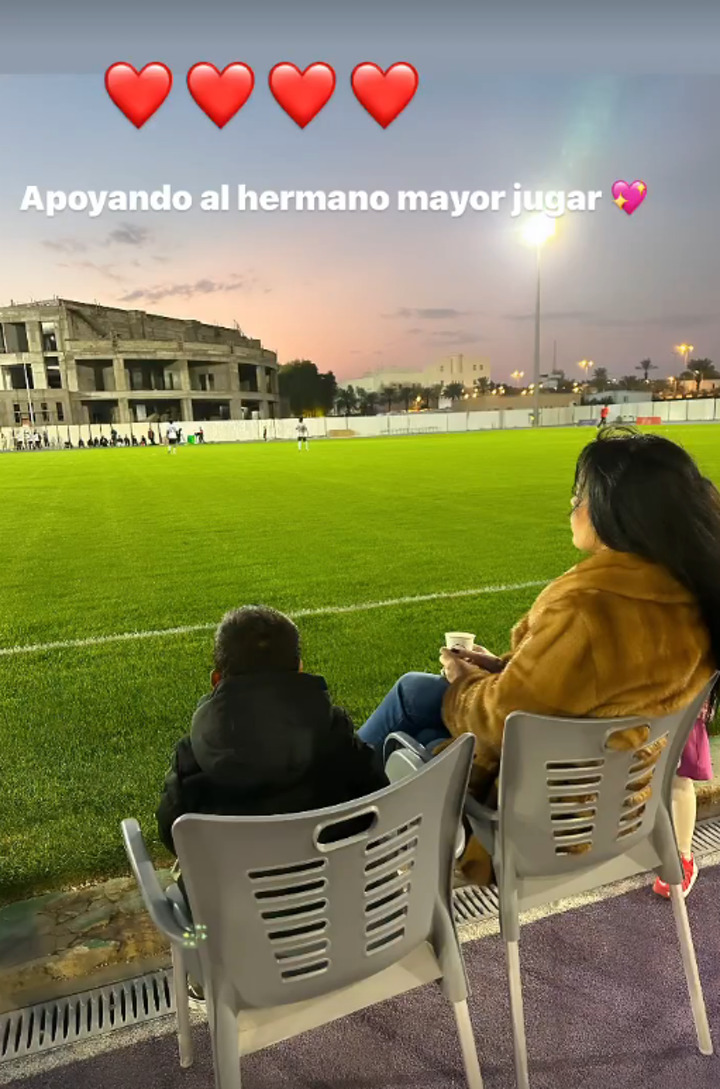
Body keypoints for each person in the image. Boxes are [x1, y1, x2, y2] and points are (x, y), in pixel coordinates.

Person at [359, 428, 720, 894]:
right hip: (623, 809)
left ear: (616, 511)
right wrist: (502, 667)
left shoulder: (590, 606)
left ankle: (332, 824)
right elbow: (589, 687)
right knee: (414, 692)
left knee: (409, 734)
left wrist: (464, 682)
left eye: (580, 496)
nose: (572, 505)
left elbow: (500, 719)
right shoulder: (692, 595)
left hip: (547, 823)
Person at [157, 604, 388, 882]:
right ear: (299, 669)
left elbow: (172, 833)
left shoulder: (191, 757)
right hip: (340, 896)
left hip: (238, 906)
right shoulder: (336, 733)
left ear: (216, 680)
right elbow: (379, 802)